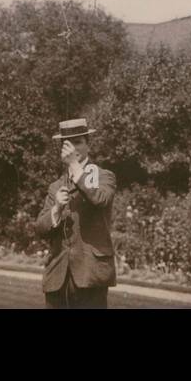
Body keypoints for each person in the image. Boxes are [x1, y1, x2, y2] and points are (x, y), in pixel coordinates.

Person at [35, 117, 116, 309]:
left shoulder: (104, 176)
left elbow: (100, 199)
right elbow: (40, 228)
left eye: (79, 142)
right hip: (58, 276)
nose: (74, 149)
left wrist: (75, 167)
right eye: (68, 144)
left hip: (90, 273)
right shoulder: (56, 186)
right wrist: (56, 210)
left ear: (88, 145)